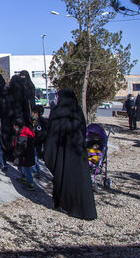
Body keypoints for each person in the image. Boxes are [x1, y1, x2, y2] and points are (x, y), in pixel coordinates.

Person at [44, 89, 97, 220]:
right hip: (77, 151)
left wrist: (48, 152)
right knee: (80, 179)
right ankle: (84, 209)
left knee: (62, 176)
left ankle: (63, 203)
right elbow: (84, 128)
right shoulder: (77, 111)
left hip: (60, 150)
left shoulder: (57, 112)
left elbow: (50, 132)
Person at [13, 117, 36, 191]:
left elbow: (21, 147)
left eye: (14, 125)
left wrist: (16, 153)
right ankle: (24, 178)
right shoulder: (23, 130)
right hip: (25, 155)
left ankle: (31, 184)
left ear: (17, 126)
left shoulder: (23, 135)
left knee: (26, 169)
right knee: (22, 167)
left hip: (26, 155)